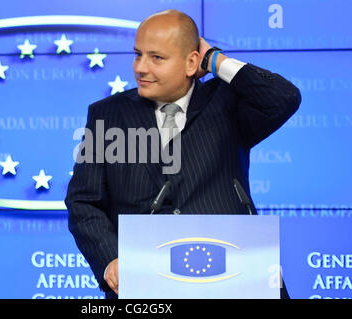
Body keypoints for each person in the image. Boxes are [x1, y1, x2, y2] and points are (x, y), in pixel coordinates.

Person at [65, 9, 300, 299]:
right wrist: (110, 259)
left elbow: (284, 97)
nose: (141, 67)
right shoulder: (107, 114)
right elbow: (83, 202)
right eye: (138, 55)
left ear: (191, 62)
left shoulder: (229, 103)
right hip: (144, 285)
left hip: (235, 279)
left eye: (157, 58)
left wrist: (215, 60)